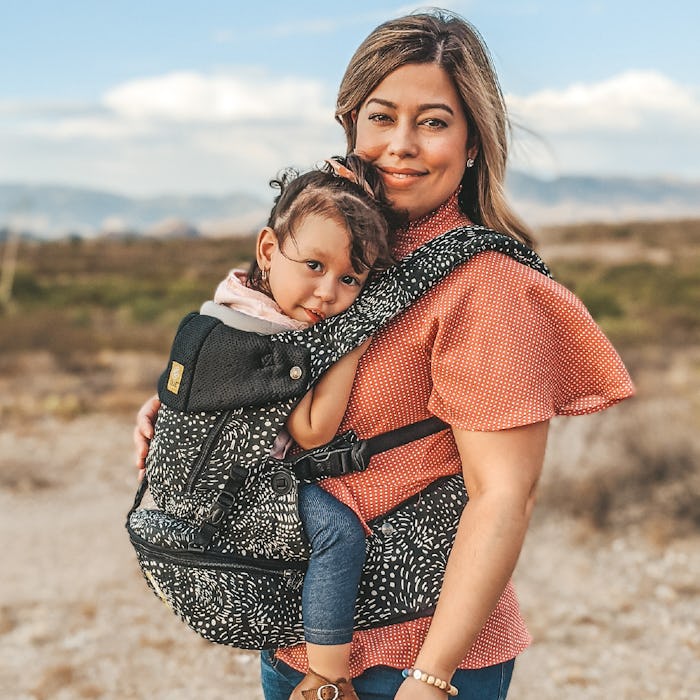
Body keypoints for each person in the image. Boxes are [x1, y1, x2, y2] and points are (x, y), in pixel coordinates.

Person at [134, 9, 635, 700]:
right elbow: (255, 349)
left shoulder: (487, 286)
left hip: (415, 652)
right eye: (381, 117)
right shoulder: (337, 253)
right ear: (351, 126)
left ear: (472, 145)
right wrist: (179, 405)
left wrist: (431, 678)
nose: (400, 145)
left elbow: (502, 498)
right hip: (299, 641)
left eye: (432, 121)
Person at [143, 155, 395, 700]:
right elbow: (312, 432)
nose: (328, 292)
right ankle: (328, 673)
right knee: (337, 534)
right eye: (313, 266)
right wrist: (355, 339)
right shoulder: (267, 334)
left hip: (190, 490)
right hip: (231, 492)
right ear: (267, 250)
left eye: (350, 278)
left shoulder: (228, 306)